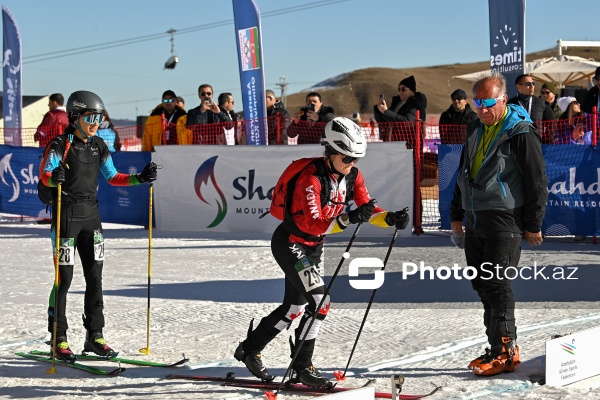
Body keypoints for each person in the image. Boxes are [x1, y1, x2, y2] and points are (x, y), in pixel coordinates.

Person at [234, 117, 410, 387]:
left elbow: (366, 208)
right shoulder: (311, 178)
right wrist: (349, 219)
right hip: (290, 243)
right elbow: (311, 223)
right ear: (332, 151)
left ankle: (249, 349)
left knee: (294, 307)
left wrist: (389, 218)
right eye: (348, 158)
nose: (352, 164)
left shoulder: (352, 175)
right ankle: (302, 367)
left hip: (313, 247)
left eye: (356, 159)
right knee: (321, 302)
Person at [38, 90, 158, 360]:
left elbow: (113, 177)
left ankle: (95, 336)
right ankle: (59, 338)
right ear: (76, 116)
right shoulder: (60, 144)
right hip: (66, 215)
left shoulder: (99, 146)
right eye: (91, 118)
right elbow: (45, 175)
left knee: (95, 278)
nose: (96, 124)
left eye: (100, 119)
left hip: (92, 215)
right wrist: (53, 177)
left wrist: (140, 178)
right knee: (64, 279)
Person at [450, 75, 548, 376]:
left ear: (503, 99)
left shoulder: (521, 132)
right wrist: (456, 214)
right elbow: (463, 174)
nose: (481, 109)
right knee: (481, 283)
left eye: (488, 103)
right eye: (477, 102)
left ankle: (504, 351)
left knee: (496, 283)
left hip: (506, 220)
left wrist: (532, 223)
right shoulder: (476, 128)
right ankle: (498, 347)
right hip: (477, 219)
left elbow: (537, 181)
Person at [373, 75, 428, 142]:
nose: (400, 92)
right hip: (392, 143)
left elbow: (406, 123)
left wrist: (385, 111)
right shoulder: (397, 103)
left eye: (403, 89)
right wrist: (378, 111)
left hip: (409, 146)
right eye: (399, 89)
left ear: (412, 91)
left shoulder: (417, 105)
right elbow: (384, 121)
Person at [507, 74, 555, 143]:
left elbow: (552, 123)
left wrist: (545, 141)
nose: (532, 86)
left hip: (536, 144)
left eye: (533, 83)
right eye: (528, 84)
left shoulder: (541, 103)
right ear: (518, 87)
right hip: (517, 145)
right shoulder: (510, 105)